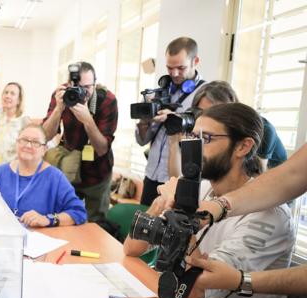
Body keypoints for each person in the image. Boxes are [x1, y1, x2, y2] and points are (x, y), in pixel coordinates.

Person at [124, 103, 294, 298]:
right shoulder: (202, 188)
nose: (194, 148)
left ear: (243, 146)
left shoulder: (271, 217)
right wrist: (161, 204)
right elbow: (132, 247)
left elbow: (193, 289)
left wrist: (181, 213)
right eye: (194, 137)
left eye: (207, 138)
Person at [42, 61, 118, 225]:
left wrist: (88, 120)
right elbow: (45, 136)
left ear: (95, 84)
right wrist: (58, 109)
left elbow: (102, 148)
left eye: (87, 87)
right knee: (65, 219)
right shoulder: (61, 94)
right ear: (68, 84)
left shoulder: (107, 100)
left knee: (96, 224)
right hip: (68, 170)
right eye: (76, 86)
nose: (81, 92)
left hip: (97, 172)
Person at [135, 37, 204, 206]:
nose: (174, 74)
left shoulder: (205, 95)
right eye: (169, 68)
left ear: (195, 61)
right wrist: (145, 120)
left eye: (181, 68)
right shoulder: (160, 92)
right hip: (151, 175)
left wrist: (174, 119)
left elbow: (204, 135)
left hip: (178, 178)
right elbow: (141, 140)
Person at [167, 81, 286, 177]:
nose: (208, 119)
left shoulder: (263, 130)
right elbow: (178, 178)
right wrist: (174, 142)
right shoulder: (204, 132)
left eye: (217, 113)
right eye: (202, 113)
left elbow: (258, 181)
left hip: (277, 185)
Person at [0, 123, 87, 227]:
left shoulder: (55, 178)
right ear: (17, 143)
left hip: (39, 239)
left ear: (44, 150)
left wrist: (48, 219)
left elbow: (78, 212)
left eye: (35, 142)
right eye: (24, 140)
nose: (28, 145)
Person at [0, 82, 30, 174]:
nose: (8, 96)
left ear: (19, 100)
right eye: (6, 92)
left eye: (12, 93)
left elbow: (26, 152)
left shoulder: (24, 121)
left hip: (10, 174)